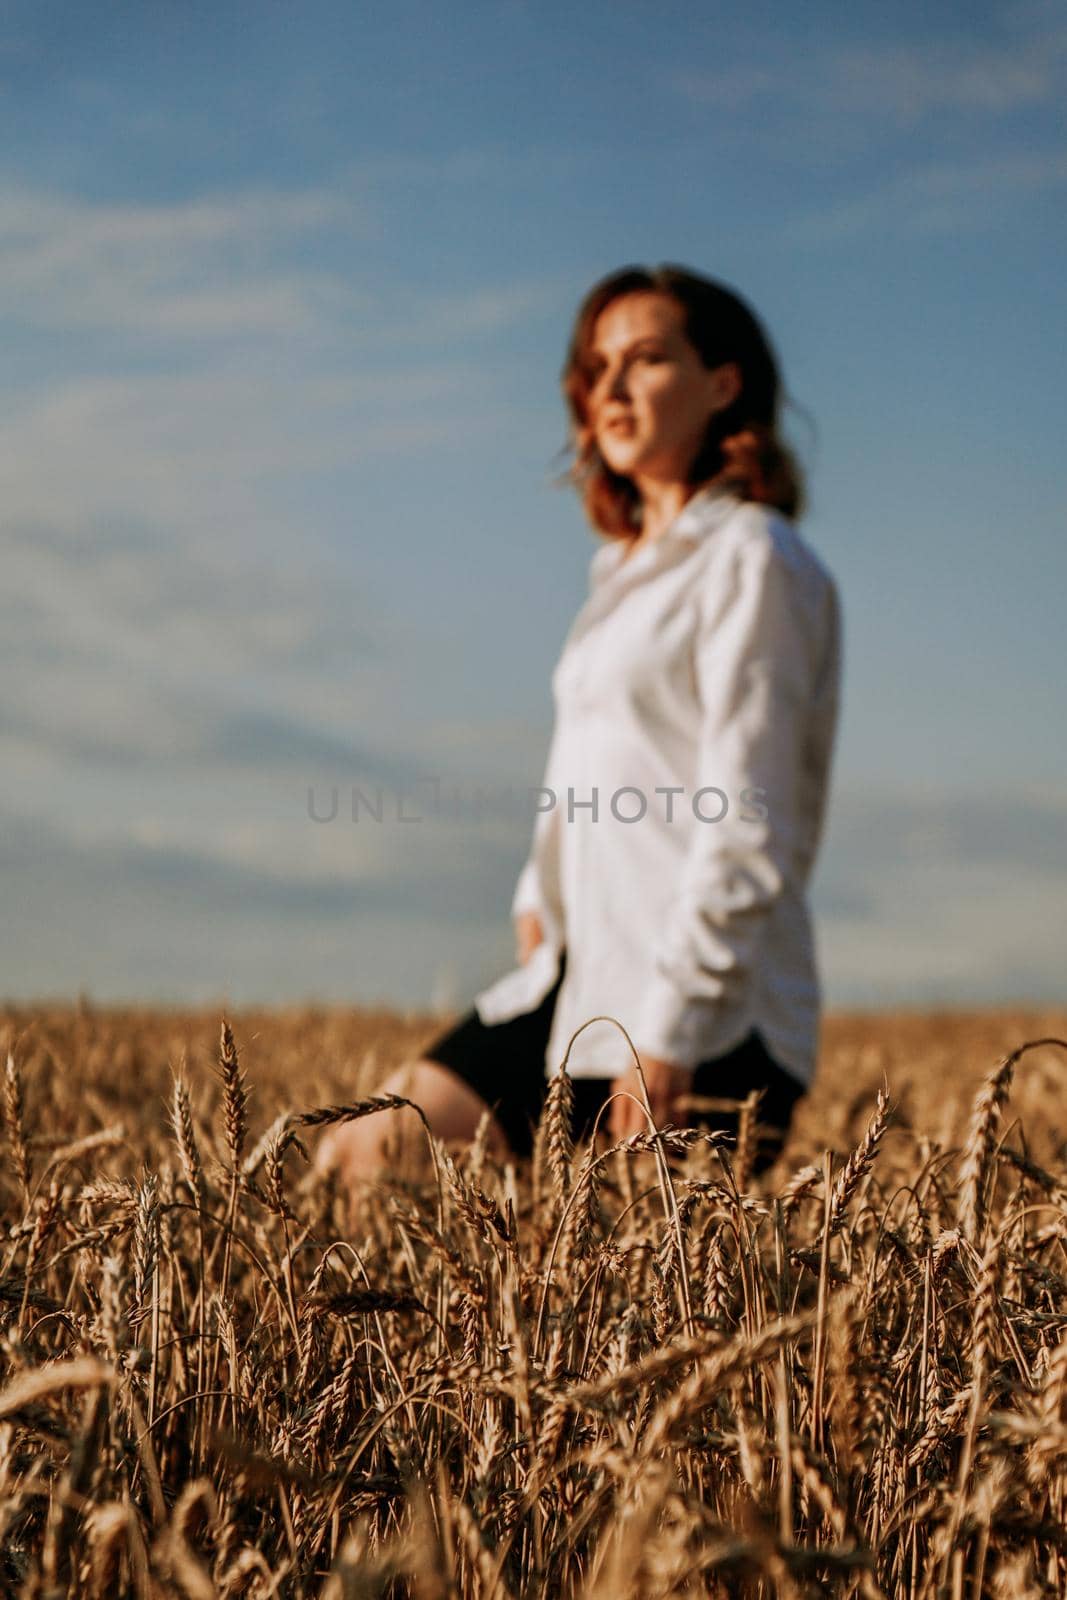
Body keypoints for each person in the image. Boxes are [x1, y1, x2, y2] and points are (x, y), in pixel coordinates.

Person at [317, 263, 842, 1192]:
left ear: (723, 384)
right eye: (596, 368)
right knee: (368, 1154)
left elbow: (749, 817)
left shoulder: (754, 560)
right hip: (577, 981)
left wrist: (674, 1026)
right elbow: (596, 756)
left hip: (709, 1009)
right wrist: (539, 884)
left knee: (639, 1300)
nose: (612, 388)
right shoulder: (618, 574)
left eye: (644, 359)